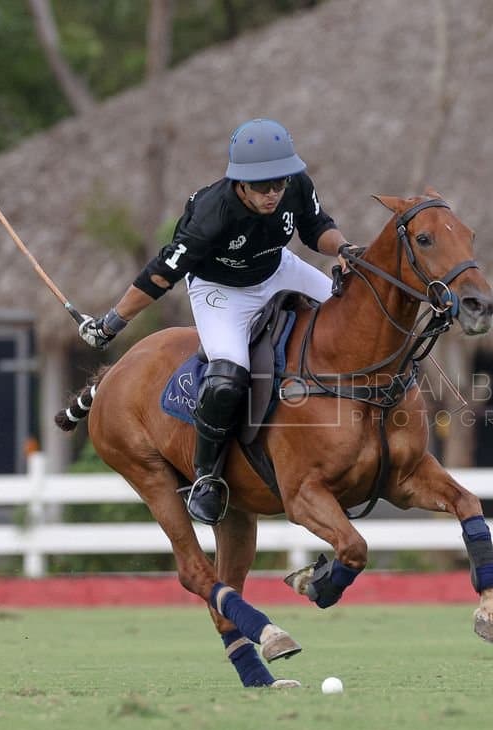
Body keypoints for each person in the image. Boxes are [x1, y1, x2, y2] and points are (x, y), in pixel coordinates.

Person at [79, 118, 356, 525]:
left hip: (277, 268)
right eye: (263, 186)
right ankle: (206, 478)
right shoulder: (211, 213)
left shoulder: (295, 184)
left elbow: (317, 229)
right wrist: (111, 324)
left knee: (350, 316)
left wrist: (344, 249)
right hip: (221, 290)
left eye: (278, 183)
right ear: (240, 183)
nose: (273, 194)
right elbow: (161, 274)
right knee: (228, 374)